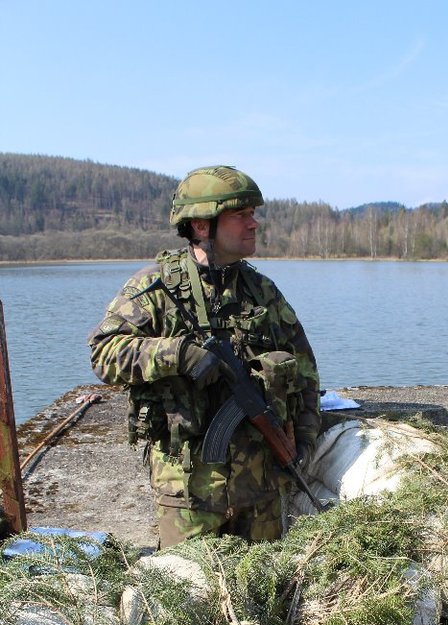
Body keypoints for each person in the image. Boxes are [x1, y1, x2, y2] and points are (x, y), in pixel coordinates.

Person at [88, 165, 321, 548]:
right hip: (187, 496)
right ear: (200, 225)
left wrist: (305, 442)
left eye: (253, 215)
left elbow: (306, 372)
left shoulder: (262, 293)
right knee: (188, 599)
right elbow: (104, 352)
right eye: (240, 215)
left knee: (261, 596)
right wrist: (175, 353)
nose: (254, 224)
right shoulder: (156, 288)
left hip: (259, 492)